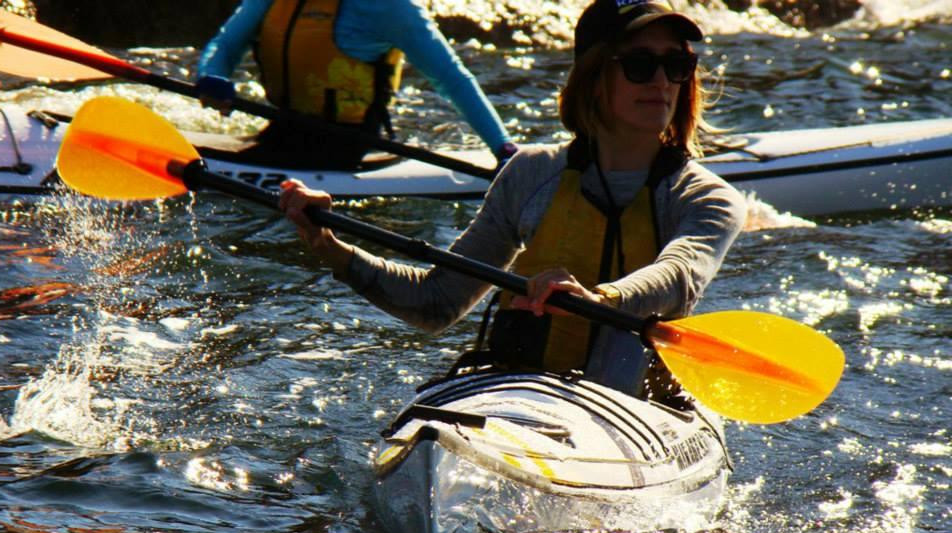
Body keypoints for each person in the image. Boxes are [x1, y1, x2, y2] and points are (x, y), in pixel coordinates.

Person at [278, 0, 747, 400]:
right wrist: (330, 246)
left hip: (634, 408)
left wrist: (600, 297)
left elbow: (680, 273)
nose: (661, 81)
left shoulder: (709, 199)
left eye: (677, 64)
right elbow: (436, 301)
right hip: (523, 396)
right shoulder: (531, 173)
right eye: (640, 64)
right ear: (593, 76)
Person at [196, 0, 517, 169]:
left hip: (346, 145)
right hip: (282, 129)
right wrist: (212, 77)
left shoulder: (389, 7)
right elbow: (225, 45)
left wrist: (502, 148)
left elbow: (451, 77)